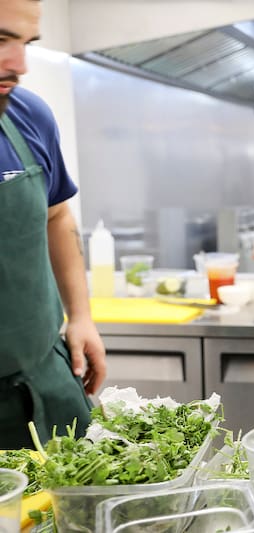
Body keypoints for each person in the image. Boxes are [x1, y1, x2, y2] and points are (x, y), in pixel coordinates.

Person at [0, 0, 107, 448]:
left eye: (26, 43)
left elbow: (57, 214)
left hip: (47, 385)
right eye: (1, 40)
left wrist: (80, 316)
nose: (19, 64)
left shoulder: (27, 115)